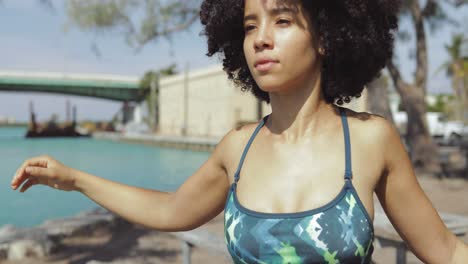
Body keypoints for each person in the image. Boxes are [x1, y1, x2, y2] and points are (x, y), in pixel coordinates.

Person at [10, 0, 468, 263]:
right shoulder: (237, 147)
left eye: (282, 20)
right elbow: (171, 210)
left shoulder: (371, 140)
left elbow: (445, 251)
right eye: (251, 25)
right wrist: (74, 180)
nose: (260, 39)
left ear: (327, 35)